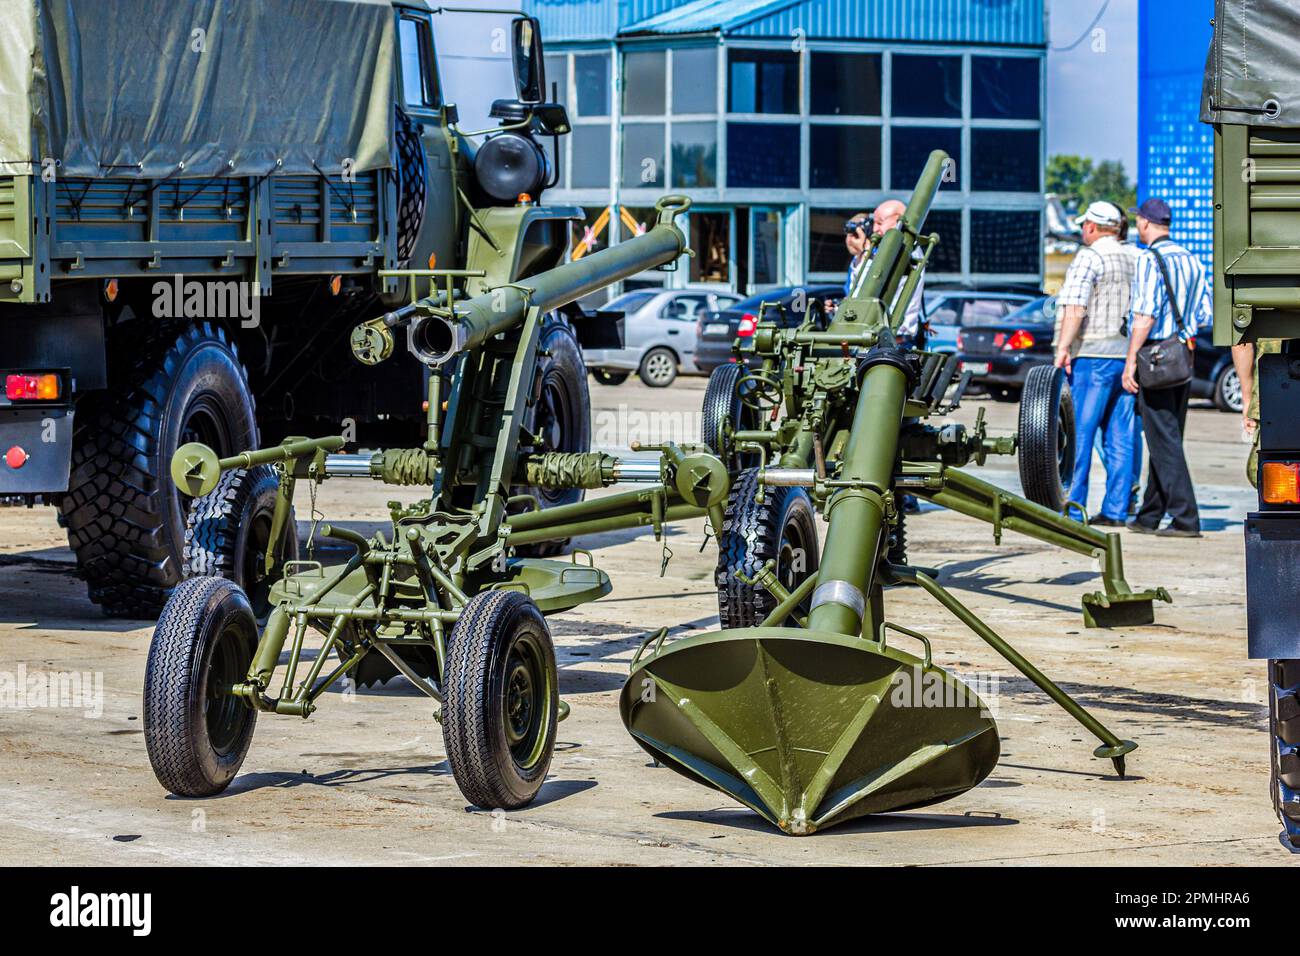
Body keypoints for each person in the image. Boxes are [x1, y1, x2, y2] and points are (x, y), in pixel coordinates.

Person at [1122, 197, 1210, 537]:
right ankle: (1150, 514)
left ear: (1145, 223)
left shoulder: (1149, 259)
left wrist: (1131, 360)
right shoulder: (1191, 259)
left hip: (1155, 357)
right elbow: (1203, 314)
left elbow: (1144, 314)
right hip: (1182, 356)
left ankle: (1186, 518)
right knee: (1167, 435)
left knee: (1163, 439)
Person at [1053, 201, 1137, 527]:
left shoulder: (1090, 256)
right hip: (1126, 357)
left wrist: (1062, 348)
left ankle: (1075, 510)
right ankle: (1117, 510)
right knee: (1120, 438)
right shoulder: (1135, 256)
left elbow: (1075, 307)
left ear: (1090, 226)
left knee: (1079, 436)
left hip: (1092, 356)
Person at [847, 199, 925, 346]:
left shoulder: (906, 250)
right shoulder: (886, 251)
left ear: (898, 219)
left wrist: (865, 252)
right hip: (879, 338)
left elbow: (869, 287)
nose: (875, 229)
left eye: (880, 222)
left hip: (894, 340)